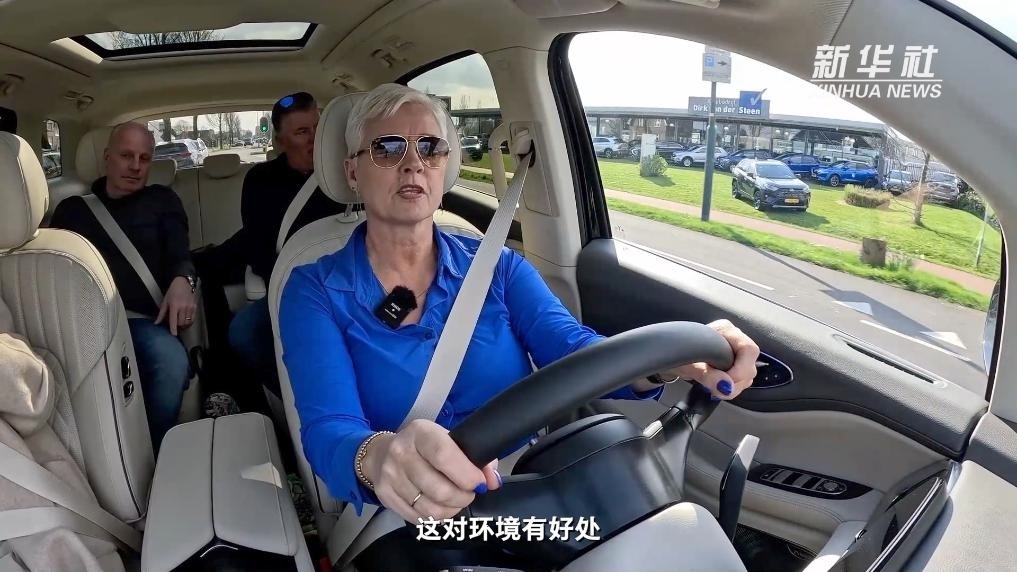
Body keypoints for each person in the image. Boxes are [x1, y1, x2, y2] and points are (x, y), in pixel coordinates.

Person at [277, 84, 759, 566]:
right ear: (352, 172)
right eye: (387, 148)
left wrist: (672, 361)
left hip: (529, 488)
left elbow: (575, 352)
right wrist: (380, 457)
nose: (413, 163)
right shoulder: (313, 289)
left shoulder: (499, 267)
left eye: (429, 146)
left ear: (444, 165)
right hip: (411, 514)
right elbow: (330, 428)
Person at [50, 122, 196, 451]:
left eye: (144, 158)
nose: (135, 166)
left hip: (144, 322)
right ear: (107, 157)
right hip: (85, 324)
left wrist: (183, 280)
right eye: (126, 156)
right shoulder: (72, 210)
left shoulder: (162, 199)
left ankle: (152, 458)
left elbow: (180, 252)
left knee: (170, 362)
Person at [228, 91, 345, 401]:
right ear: (280, 142)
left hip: (351, 284)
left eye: (318, 128)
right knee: (244, 332)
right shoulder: (260, 180)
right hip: (293, 288)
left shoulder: (349, 174)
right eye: (302, 132)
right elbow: (259, 251)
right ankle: (297, 398)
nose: (315, 139)